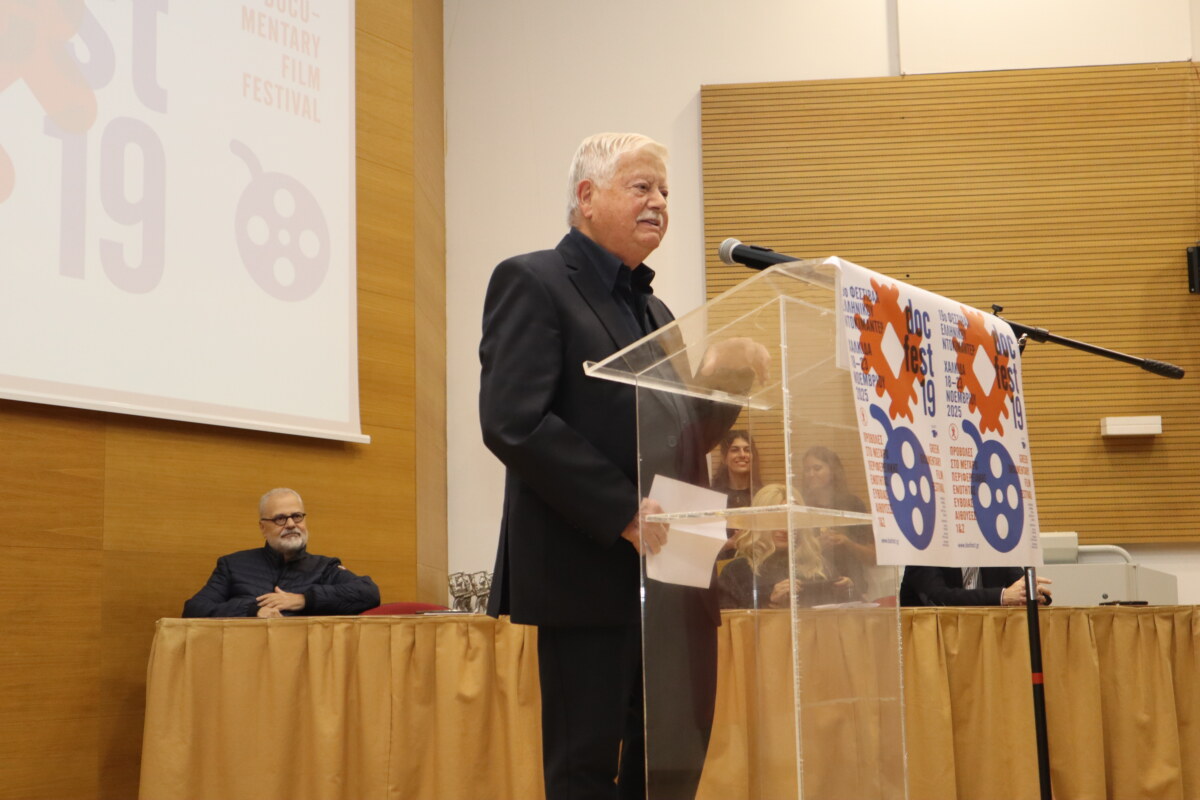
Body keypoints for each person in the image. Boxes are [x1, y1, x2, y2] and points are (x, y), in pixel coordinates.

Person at [479, 132, 765, 800]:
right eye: (642, 187)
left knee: (672, 762)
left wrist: (728, 385)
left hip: (675, 577)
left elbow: (675, 439)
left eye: (664, 190)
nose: (659, 201)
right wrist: (622, 511)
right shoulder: (533, 281)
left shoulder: (655, 310)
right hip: (587, 570)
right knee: (586, 773)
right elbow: (513, 420)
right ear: (587, 196)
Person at [182, 488, 380, 618]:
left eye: (297, 516)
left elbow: (369, 593)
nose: (291, 524)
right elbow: (194, 609)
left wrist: (303, 600)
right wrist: (252, 611)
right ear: (263, 527)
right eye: (280, 519)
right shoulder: (233, 565)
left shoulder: (324, 567)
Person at [718, 484, 853, 609]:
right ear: (758, 522)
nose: (784, 529)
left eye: (790, 520)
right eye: (775, 520)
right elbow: (729, 623)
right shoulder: (736, 572)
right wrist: (770, 603)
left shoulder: (819, 566)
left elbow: (840, 619)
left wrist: (848, 593)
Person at [800, 446, 875, 599]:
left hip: (852, 588)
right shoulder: (801, 506)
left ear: (833, 470)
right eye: (807, 470)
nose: (811, 474)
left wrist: (847, 542)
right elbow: (789, 559)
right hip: (811, 591)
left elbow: (872, 556)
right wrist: (815, 546)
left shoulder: (853, 504)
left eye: (817, 468)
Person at [900, 565, 1052, 606]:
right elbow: (939, 598)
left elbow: (1021, 585)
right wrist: (1002, 596)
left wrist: (1033, 594)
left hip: (985, 641)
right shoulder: (925, 553)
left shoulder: (991, 549)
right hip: (934, 646)